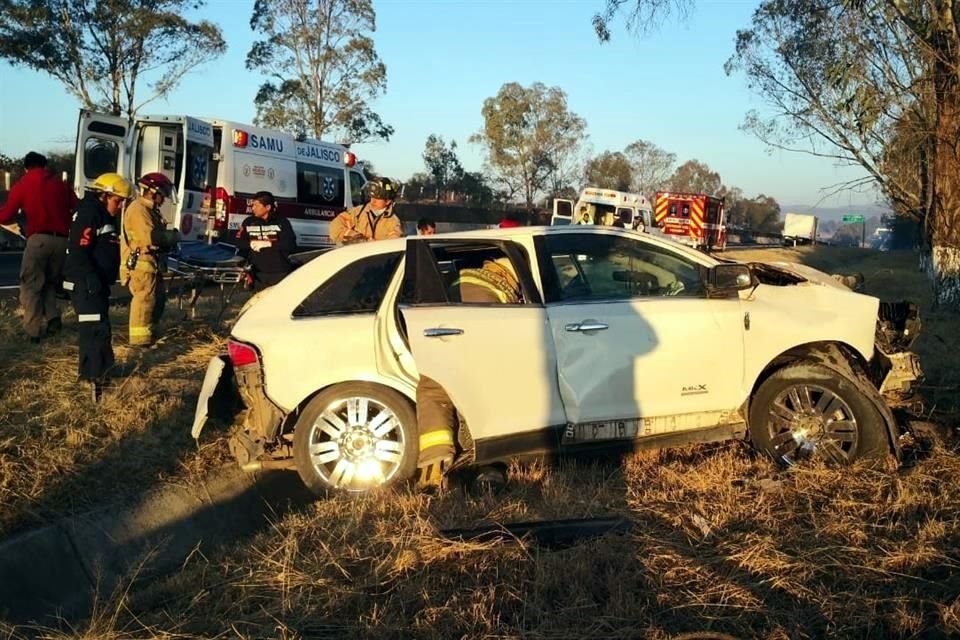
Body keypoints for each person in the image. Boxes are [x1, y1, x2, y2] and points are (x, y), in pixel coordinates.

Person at [415, 256, 522, 488]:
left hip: (439, 335)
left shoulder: (464, 277)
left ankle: (432, 470)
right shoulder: (504, 289)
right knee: (489, 396)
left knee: (434, 393)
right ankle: (490, 466)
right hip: (477, 341)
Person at [63, 173, 134, 402]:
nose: (121, 205)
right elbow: (78, 250)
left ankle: (96, 373)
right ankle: (97, 381)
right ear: (104, 195)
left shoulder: (102, 214)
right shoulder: (90, 213)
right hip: (86, 284)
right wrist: (90, 276)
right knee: (95, 331)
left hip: (96, 283)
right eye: (118, 200)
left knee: (98, 328)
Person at [0, 152, 79, 342]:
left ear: (27, 167)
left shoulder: (24, 184)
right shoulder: (60, 184)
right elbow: (77, 206)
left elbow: (5, 215)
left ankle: (33, 332)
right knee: (50, 282)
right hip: (62, 241)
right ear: (45, 166)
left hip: (38, 239)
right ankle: (53, 319)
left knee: (31, 286)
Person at [121, 172, 178, 346]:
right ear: (153, 191)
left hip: (150, 263)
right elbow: (149, 238)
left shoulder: (149, 209)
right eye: (163, 195)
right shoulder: (139, 210)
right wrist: (172, 237)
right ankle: (140, 343)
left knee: (157, 299)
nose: (165, 199)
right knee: (144, 300)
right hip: (141, 263)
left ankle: (150, 333)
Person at [235, 191, 296, 291]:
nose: (252, 208)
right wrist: (251, 244)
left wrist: (269, 244)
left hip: (279, 272)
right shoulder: (249, 222)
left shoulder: (282, 222)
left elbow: (290, 244)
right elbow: (239, 243)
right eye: (252, 205)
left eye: (256, 205)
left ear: (267, 207)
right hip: (257, 274)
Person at [329, 177, 404, 245]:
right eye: (372, 197)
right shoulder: (357, 213)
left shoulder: (394, 222)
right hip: (354, 257)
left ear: (388, 201)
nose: (373, 201)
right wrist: (359, 239)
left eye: (378, 198)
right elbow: (334, 228)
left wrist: (374, 245)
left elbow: (393, 245)